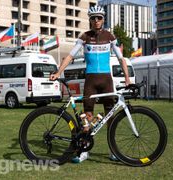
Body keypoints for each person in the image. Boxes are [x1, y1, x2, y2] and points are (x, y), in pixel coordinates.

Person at [50, 5, 131, 163]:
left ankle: (113, 151)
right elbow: (70, 56)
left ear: (103, 19)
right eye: (93, 18)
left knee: (110, 116)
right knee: (87, 115)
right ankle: (84, 150)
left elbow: (121, 59)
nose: (96, 20)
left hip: (107, 80)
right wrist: (58, 72)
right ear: (90, 20)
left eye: (99, 17)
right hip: (90, 81)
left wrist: (127, 78)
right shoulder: (84, 37)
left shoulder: (110, 36)